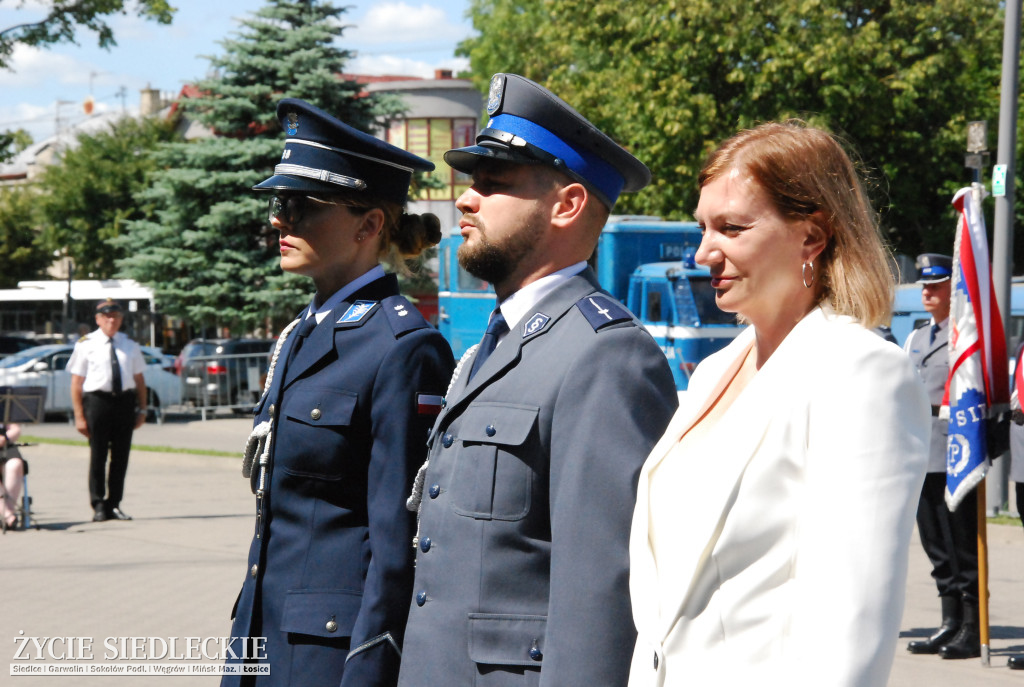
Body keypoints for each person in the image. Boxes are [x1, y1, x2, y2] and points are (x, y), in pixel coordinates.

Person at [397, 73, 679, 687]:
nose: (466, 200)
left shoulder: (606, 357)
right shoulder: (490, 349)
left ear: (568, 204)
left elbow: (599, 596)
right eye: (472, 183)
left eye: (494, 184)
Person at [627, 121, 930, 686]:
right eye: (702, 228)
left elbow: (849, 634)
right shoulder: (717, 369)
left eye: (732, 229)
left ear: (812, 237)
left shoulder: (859, 372)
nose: (703, 254)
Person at [222, 98, 455, 687]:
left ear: (369, 224)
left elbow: (397, 543)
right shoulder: (299, 334)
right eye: (280, 204)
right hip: (261, 640)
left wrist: (371, 668)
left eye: (301, 206)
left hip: (333, 658)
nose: (280, 221)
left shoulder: (403, 347)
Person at [902, 253, 982, 660]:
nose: (927, 292)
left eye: (935, 285)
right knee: (935, 543)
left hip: (955, 449)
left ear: (952, 290)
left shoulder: (963, 337)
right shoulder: (916, 338)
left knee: (962, 542)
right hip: (921, 449)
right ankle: (949, 620)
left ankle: (971, 625)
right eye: (924, 286)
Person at [69, 299, 147, 522]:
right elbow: (76, 382)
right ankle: (98, 505)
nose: (111, 320)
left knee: (121, 456)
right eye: (107, 317)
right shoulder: (86, 344)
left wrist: (142, 409)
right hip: (97, 403)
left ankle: (114, 504)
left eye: (115, 316)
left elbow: (139, 379)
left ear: (121, 319)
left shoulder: (129, 344)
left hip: (124, 402)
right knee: (98, 455)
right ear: (98, 319)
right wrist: (78, 415)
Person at [0, 421, 25, 531]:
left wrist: (5, 437)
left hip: (4, 445)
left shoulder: (3, 405)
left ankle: (6, 512)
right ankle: (7, 515)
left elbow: (15, 429)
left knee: (15, 464)